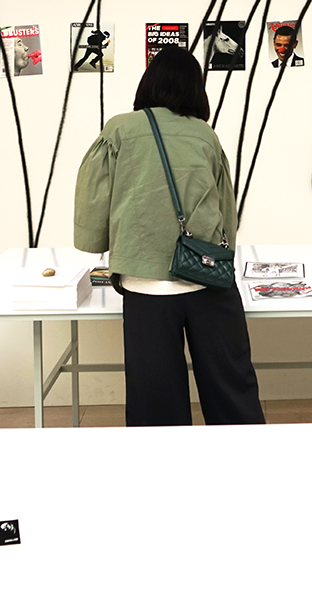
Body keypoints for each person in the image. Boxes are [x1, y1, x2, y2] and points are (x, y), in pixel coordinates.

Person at [73, 46, 265, 427]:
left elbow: (92, 204)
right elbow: (226, 214)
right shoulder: (205, 135)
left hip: (146, 286)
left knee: (155, 407)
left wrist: (102, 242)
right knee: (231, 394)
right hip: (207, 280)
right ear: (195, 88)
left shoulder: (119, 130)